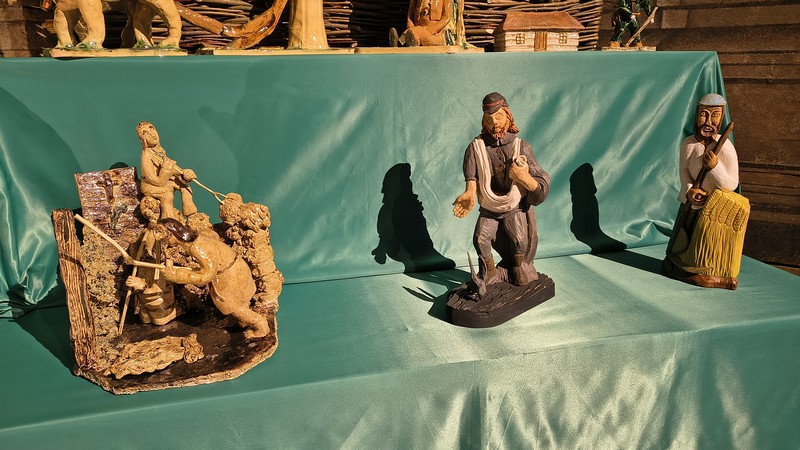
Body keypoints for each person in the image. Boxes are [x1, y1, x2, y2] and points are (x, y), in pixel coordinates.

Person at [452, 92, 550, 287]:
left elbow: (541, 186)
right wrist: (470, 194)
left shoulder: (521, 147)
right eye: (489, 118)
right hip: (489, 206)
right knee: (480, 239)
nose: (495, 123)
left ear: (508, 116)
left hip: (514, 205)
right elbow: (471, 178)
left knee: (519, 240)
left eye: (498, 116)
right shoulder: (476, 147)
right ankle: (489, 272)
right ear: (484, 120)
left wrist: (524, 178)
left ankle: (517, 267)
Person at [663, 93, 750, 289]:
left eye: (715, 115)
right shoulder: (688, 144)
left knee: (707, 244)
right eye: (704, 114)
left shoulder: (725, 148)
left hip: (715, 210)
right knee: (682, 242)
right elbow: (684, 173)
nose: (709, 121)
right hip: (692, 205)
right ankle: (680, 266)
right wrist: (689, 191)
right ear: (696, 115)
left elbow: (731, 184)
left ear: (722, 117)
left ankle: (708, 270)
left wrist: (715, 166)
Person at [158, 218, 270, 338]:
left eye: (163, 236)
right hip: (236, 265)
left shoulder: (196, 248)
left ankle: (260, 325)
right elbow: (213, 235)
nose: (162, 240)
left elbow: (207, 276)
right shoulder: (198, 235)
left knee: (232, 306)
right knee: (239, 300)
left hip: (229, 275)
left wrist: (176, 276)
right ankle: (243, 320)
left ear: (172, 234)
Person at [137, 121, 198, 220]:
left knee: (185, 187)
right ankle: (168, 220)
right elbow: (156, 181)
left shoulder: (160, 151)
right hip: (150, 185)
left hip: (163, 180)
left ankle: (190, 212)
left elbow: (172, 167)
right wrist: (165, 171)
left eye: (152, 129)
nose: (152, 134)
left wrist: (184, 174)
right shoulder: (146, 156)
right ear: (142, 139)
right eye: (146, 133)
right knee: (167, 195)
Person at [390, 0, 455, 47]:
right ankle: (403, 42)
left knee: (421, 34)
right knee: (415, 33)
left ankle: (399, 42)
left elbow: (446, 17)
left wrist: (432, 30)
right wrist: (410, 27)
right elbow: (410, 14)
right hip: (416, 28)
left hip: (435, 33)